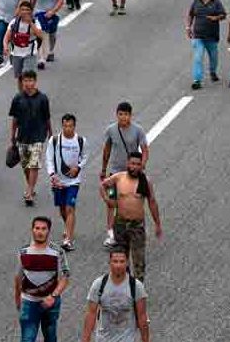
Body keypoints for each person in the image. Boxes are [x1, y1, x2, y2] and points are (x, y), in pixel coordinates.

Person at [12, 217, 69, 342]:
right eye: (36, 228)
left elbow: (65, 276)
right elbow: (18, 277)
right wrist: (18, 299)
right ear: (32, 230)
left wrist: (53, 296)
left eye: (43, 228)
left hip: (50, 302)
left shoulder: (57, 251)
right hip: (29, 301)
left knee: (50, 334)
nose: (39, 231)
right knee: (27, 341)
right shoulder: (24, 252)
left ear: (48, 231)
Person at [99, 153, 162, 279]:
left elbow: (152, 202)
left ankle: (138, 289)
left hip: (137, 227)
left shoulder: (145, 182)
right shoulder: (119, 178)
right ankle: (124, 287)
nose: (135, 167)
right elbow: (104, 186)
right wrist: (108, 200)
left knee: (139, 261)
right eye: (132, 163)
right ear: (128, 163)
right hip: (120, 225)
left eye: (138, 164)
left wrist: (157, 224)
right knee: (120, 260)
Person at [99, 102, 149, 246]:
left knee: (135, 201)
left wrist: (142, 165)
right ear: (117, 114)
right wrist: (103, 169)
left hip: (132, 174)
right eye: (120, 114)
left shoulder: (138, 130)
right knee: (111, 202)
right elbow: (106, 150)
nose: (123, 117)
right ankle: (110, 233)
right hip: (115, 173)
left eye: (126, 114)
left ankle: (137, 229)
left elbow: (145, 150)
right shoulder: (111, 130)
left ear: (130, 115)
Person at [8, 73, 52, 206]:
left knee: (34, 164)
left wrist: (50, 133)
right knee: (26, 165)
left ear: (35, 81)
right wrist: (12, 136)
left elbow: (47, 117)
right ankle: (30, 185)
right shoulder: (17, 99)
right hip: (22, 136)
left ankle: (29, 190)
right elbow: (14, 119)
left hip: (38, 136)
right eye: (25, 81)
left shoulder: (43, 98)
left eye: (31, 80)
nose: (28, 83)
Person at [44, 114, 87, 250]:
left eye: (70, 126)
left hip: (73, 181)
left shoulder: (80, 141)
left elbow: (85, 156)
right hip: (58, 181)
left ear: (74, 126)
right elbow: (49, 158)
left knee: (70, 207)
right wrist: (52, 175)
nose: (68, 129)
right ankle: (68, 225)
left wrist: (78, 167)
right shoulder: (55, 140)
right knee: (62, 209)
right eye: (65, 126)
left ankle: (68, 239)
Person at [186, 0, 226, 90]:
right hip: (198, 36)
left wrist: (216, 18)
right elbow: (190, 15)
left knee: (214, 57)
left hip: (211, 36)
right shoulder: (196, 3)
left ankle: (213, 71)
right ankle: (197, 80)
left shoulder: (216, 3)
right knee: (198, 58)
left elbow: (223, 15)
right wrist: (188, 27)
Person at [30, 0, 66, 65]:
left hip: (52, 12)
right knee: (42, 33)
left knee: (52, 34)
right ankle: (42, 58)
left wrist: (52, 11)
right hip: (39, 12)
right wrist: (30, 12)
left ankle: (50, 51)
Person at [3, 0, 44, 84]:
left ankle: (30, 94)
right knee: (20, 78)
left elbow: (40, 35)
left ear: (31, 11)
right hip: (16, 53)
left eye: (27, 10)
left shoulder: (35, 22)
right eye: (23, 9)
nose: (25, 12)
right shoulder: (14, 22)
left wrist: (30, 23)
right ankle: (22, 95)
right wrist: (5, 47)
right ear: (19, 11)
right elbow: (7, 37)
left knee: (27, 77)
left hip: (30, 53)